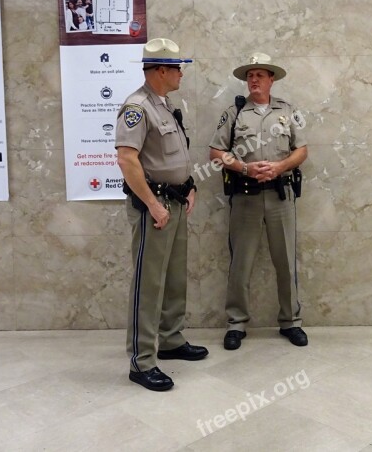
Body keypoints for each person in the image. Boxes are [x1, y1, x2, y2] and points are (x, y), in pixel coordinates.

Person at [115, 38, 207, 391]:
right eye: (178, 67)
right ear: (162, 70)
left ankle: (169, 339)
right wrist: (153, 204)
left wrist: (190, 185)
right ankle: (141, 361)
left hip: (175, 202)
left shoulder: (165, 106)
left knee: (172, 278)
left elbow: (172, 157)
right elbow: (127, 159)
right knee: (149, 282)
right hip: (154, 209)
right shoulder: (137, 107)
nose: (182, 73)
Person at [209, 53, 308, 350]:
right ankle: (236, 324)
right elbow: (215, 153)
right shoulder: (235, 113)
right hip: (246, 197)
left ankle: (290, 321)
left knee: (285, 261)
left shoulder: (287, 111)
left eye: (260, 75)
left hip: (281, 195)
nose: (254, 80)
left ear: (271, 80)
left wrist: (279, 167)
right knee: (241, 262)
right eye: (250, 75)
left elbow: (301, 150)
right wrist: (243, 167)